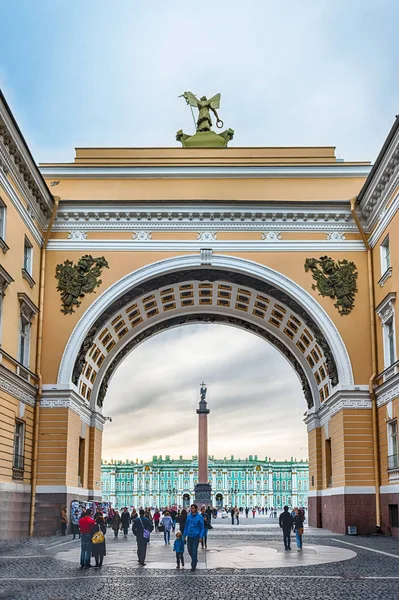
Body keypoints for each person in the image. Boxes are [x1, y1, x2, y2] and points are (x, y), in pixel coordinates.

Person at [183, 504, 204, 572]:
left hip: (196, 536)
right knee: (189, 550)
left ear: (196, 509)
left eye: (193, 508)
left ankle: (193, 565)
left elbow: (202, 528)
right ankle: (195, 559)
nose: (191, 509)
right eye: (191, 508)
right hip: (189, 535)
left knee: (194, 550)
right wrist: (184, 535)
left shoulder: (200, 517)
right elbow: (186, 526)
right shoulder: (188, 517)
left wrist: (201, 536)